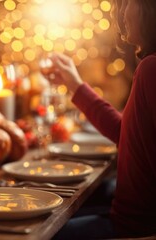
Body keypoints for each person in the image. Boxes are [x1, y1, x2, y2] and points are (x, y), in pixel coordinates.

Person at [52, 0, 156, 238]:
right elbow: (126, 133)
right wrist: (75, 84)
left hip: (133, 228)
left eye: (129, 2)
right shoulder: (148, 67)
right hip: (129, 218)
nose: (121, 12)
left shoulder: (152, 69)